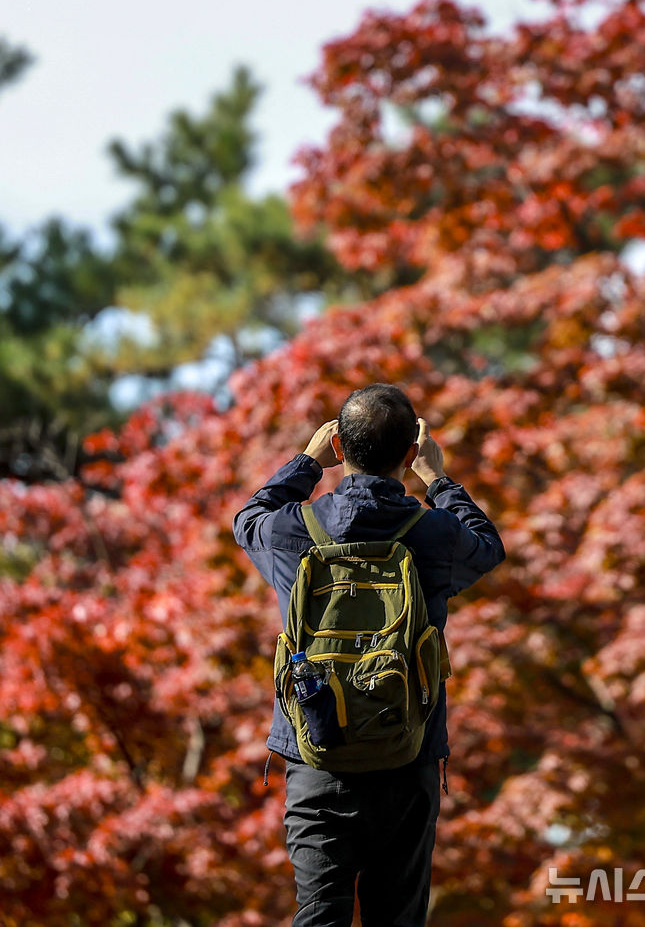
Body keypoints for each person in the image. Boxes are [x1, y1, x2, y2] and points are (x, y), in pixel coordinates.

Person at [233, 383, 505, 927]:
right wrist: (437, 480)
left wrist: (306, 464)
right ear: (411, 452)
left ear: (338, 446)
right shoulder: (435, 534)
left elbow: (248, 520)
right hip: (408, 754)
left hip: (316, 754)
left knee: (319, 916)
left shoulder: (293, 529)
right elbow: (488, 545)